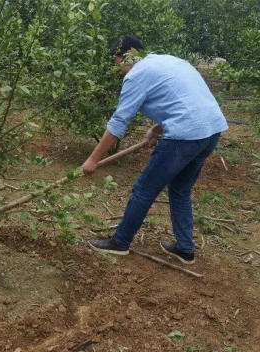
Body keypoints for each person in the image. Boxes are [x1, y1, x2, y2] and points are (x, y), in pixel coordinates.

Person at [83, 35, 228, 265]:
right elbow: (188, 101)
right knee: (180, 189)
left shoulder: (136, 75)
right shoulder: (169, 61)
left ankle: (120, 242)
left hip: (184, 136)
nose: (120, 69)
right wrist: (157, 129)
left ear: (128, 54)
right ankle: (184, 248)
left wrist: (92, 160)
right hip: (211, 131)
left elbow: (119, 122)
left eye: (118, 62)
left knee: (143, 190)